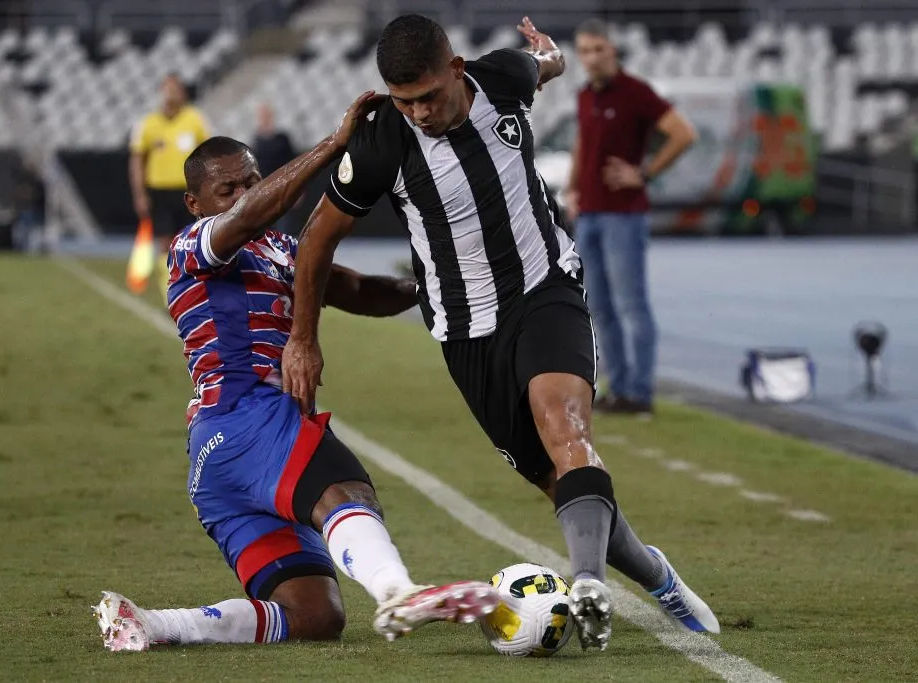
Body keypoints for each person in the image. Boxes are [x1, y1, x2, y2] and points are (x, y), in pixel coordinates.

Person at [282, 15, 718, 652]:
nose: (420, 112)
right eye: (405, 101)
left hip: (545, 288)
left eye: (429, 95)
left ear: (456, 70)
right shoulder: (381, 143)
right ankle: (657, 575)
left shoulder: (502, 77)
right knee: (560, 482)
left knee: (565, 425)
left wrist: (551, 53)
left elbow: (545, 64)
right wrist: (304, 338)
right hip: (466, 334)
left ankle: (588, 585)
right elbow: (315, 243)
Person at [94, 93, 499, 652]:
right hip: (247, 421)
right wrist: (335, 145)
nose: (244, 194)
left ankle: (157, 625)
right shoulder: (193, 246)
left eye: (251, 181)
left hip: (216, 461)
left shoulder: (284, 249)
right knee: (347, 488)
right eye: (227, 189)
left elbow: (359, 292)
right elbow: (251, 214)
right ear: (194, 203)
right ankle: (397, 591)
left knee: (315, 615)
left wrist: (435, 286)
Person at [564, 19, 697, 415]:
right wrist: (573, 189)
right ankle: (618, 387)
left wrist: (644, 173)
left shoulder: (636, 93)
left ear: (613, 50)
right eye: (585, 51)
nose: (591, 58)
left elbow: (683, 134)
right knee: (600, 307)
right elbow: (582, 145)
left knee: (632, 305)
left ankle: (640, 393)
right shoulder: (586, 95)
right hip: (589, 212)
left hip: (624, 215)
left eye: (598, 49)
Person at [129, 74, 212, 301]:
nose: (171, 93)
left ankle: (191, 291)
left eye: (175, 89)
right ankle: (170, 294)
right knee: (165, 243)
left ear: (183, 93)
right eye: (167, 88)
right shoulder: (148, 123)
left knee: (190, 242)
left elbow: (209, 154)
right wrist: (140, 193)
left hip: (188, 192)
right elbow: (137, 160)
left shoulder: (195, 120)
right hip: (160, 191)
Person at [252, 102, 298, 234]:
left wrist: (298, 190)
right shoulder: (256, 140)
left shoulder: (282, 138)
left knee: (283, 228)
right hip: (263, 191)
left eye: (266, 114)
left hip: (283, 188)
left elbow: (293, 163)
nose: (264, 118)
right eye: (261, 115)